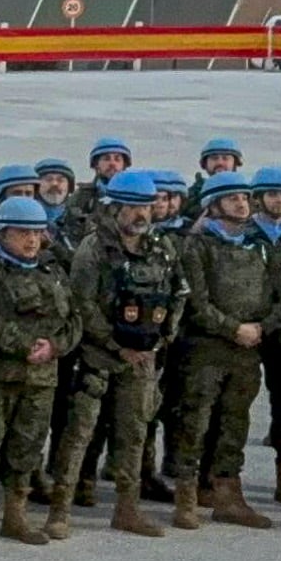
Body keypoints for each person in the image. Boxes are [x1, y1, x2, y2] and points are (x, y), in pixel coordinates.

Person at [56, 172, 189, 538]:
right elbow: (81, 304)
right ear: (114, 208)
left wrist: (161, 339)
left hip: (143, 358)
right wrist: (117, 346)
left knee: (134, 433)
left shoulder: (161, 247)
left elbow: (179, 292)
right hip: (98, 357)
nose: (140, 214)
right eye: (132, 206)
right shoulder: (93, 248)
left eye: (145, 206)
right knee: (80, 433)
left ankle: (127, 509)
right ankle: (60, 510)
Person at [0, 197, 77, 545]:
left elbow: (74, 317)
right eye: (22, 232)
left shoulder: (52, 270)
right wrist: (27, 346)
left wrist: (55, 347)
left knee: (28, 447)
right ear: (2, 232)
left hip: (41, 378)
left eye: (37, 232)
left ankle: (15, 515)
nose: (31, 240)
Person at [174, 173, 281, 531]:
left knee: (234, 424)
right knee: (195, 422)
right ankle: (187, 497)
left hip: (247, 350)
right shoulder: (197, 246)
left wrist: (261, 328)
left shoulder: (261, 245)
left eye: (244, 197)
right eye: (232, 198)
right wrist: (232, 328)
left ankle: (227, 494)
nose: (241, 204)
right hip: (206, 350)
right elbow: (195, 301)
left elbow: (279, 297)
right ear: (215, 204)